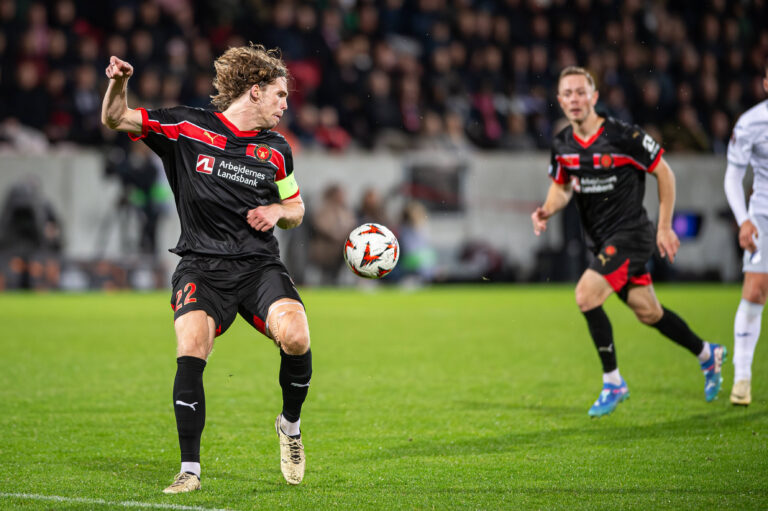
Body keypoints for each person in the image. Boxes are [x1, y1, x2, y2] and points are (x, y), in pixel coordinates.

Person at [102, 44, 312, 493]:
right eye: (279, 94)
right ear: (255, 92)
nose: (285, 104)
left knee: (296, 336)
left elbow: (296, 207)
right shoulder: (185, 127)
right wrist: (118, 83)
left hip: (258, 267)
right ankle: (189, 471)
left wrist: (277, 211)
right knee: (191, 346)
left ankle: (289, 426)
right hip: (201, 266)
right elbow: (116, 118)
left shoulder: (277, 151)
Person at [530, 66, 726, 418]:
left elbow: (664, 171)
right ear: (559, 101)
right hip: (602, 242)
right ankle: (707, 354)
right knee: (649, 312)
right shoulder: (561, 144)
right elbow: (561, 187)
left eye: (580, 92)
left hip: (632, 235)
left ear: (594, 97)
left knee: (585, 294)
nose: (574, 99)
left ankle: (613, 382)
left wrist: (665, 227)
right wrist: (546, 209)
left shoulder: (622, 136)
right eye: (567, 94)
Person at [723, 62, 768, 406]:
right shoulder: (751, 122)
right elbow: (733, 177)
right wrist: (743, 220)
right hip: (764, 216)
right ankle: (742, 378)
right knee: (755, 290)